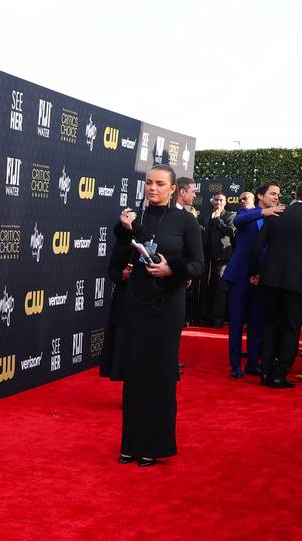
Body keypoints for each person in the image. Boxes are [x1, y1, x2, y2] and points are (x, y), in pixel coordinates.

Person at [108, 164, 204, 466]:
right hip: (136, 303)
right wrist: (124, 234)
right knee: (134, 374)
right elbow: (119, 260)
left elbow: (198, 264)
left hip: (167, 306)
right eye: (149, 182)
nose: (153, 188)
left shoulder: (185, 221)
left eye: (160, 183)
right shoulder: (134, 218)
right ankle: (131, 444)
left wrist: (170, 269)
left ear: (172, 188)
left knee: (160, 376)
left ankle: (155, 445)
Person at [252, 179, 302, 387]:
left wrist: (256, 272)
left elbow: (257, 247)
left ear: (295, 195)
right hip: (296, 282)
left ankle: (265, 372)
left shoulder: (276, 213)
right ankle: (279, 374)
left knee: (270, 324)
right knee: (290, 327)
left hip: (269, 279)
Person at [223, 183, 285, 378]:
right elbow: (240, 221)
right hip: (240, 276)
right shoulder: (247, 213)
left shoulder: (275, 218)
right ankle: (235, 365)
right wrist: (264, 212)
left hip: (261, 278)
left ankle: (252, 363)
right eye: (272, 193)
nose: (276, 197)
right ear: (260, 195)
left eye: (278, 194)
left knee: (257, 323)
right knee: (236, 322)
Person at [195, 192, 235, 327]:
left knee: (220, 288)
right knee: (203, 288)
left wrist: (218, 219)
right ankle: (202, 317)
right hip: (205, 257)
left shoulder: (230, 216)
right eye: (216, 200)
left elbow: (231, 232)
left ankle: (216, 319)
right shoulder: (204, 216)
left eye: (221, 200)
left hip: (222, 258)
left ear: (225, 202)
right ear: (212, 201)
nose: (218, 203)